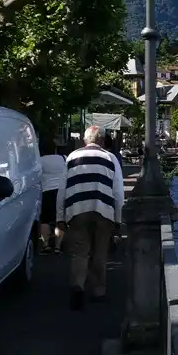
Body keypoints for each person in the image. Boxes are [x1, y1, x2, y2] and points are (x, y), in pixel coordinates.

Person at [58, 125, 124, 310]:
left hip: (77, 209)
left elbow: (62, 189)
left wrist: (60, 217)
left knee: (79, 252)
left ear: (84, 140)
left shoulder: (72, 157)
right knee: (100, 253)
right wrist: (118, 220)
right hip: (104, 210)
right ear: (102, 141)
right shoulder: (110, 158)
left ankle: (77, 287)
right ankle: (98, 291)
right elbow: (118, 192)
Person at [38, 138, 67, 255]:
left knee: (45, 219)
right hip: (62, 191)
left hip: (46, 192)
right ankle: (58, 247)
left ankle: (45, 245)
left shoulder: (40, 161)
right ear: (55, 148)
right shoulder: (64, 158)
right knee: (60, 219)